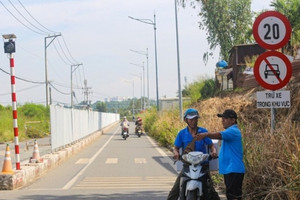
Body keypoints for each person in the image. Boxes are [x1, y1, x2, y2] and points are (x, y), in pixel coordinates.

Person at [167, 108, 220, 200]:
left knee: (211, 191)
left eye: (195, 119)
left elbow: (211, 145)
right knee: (174, 192)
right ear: (186, 120)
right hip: (187, 166)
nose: (193, 121)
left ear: (197, 119)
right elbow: (176, 148)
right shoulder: (182, 133)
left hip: (202, 166)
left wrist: (214, 152)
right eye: (190, 119)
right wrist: (176, 154)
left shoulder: (203, 131)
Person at [195, 109, 245, 200]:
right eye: (222, 118)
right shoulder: (230, 131)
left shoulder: (233, 131)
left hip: (234, 169)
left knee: (234, 196)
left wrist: (205, 135)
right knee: (231, 195)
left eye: (225, 118)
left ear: (233, 120)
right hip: (230, 169)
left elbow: (218, 135)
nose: (222, 120)